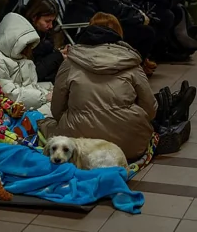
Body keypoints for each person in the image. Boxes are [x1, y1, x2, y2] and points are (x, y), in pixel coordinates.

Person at [38, 12, 157, 160]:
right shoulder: (131, 61)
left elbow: (56, 109)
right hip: (129, 147)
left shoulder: (70, 62)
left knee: (43, 122)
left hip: (79, 145)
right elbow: (150, 109)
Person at [65, 0, 173, 75]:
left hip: (104, 18)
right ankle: (132, 65)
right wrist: (139, 16)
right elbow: (112, 7)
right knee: (146, 32)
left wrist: (139, 13)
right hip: (93, 24)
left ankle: (138, 61)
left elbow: (121, 0)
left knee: (159, 19)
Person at [0, 12, 54, 117]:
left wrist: (50, 89)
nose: (28, 50)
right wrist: (44, 96)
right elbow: (9, 93)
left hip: (29, 104)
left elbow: (30, 86)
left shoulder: (23, 59)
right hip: (13, 109)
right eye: (26, 46)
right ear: (14, 41)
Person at [18, 0, 64, 84]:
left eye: (52, 21)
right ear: (34, 17)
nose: (50, 26)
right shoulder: (22, 38)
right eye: (47, 21)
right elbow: (33, 74)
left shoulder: (43, 33)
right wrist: (57, 57)